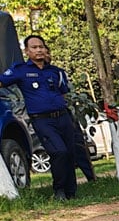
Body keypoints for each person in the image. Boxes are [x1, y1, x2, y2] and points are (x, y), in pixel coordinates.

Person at [0, 34, 79, 200]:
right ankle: (59, 190)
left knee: (70, 153)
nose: (39, 50)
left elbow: (63, 94)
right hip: (42, 120)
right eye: (34, 47)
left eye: (41, 47)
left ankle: (71, 193)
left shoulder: (56, 72)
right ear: (27, 51)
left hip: (63, 117)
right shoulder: (20, 70)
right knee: (59, 151)